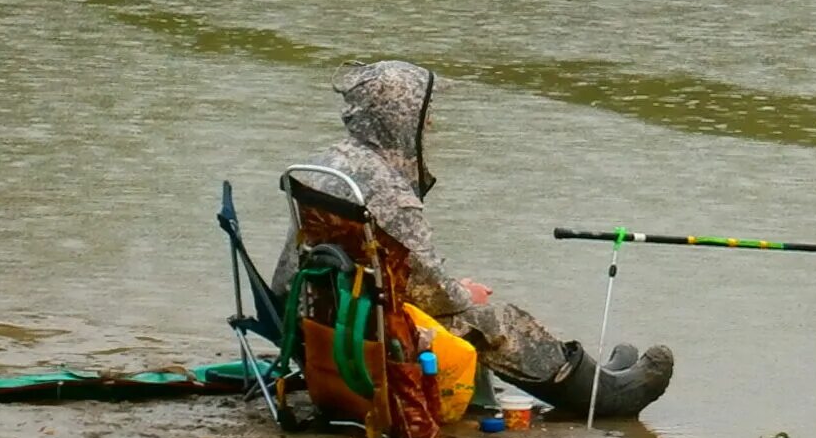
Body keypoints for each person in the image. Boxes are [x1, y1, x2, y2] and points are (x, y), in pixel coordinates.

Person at [272, 60, 674, 419]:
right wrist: (465, 295)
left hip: (313, 312)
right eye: (423, 114)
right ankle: (605, 395)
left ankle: (594, 372)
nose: (429, 125)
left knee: (467, 304)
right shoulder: (389, 193)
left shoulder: (326, 163)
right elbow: (435, 295)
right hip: (372, 328)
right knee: (497, 319)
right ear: (397, 118)